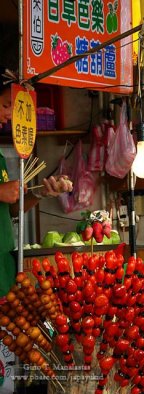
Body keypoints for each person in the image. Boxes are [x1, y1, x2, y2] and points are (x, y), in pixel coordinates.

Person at [0, 67, 73, 297]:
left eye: (12, 107)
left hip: (4, 267)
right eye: (4, 105)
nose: (10, 114)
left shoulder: (0, 158)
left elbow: (11, 210)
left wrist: (39, 193)